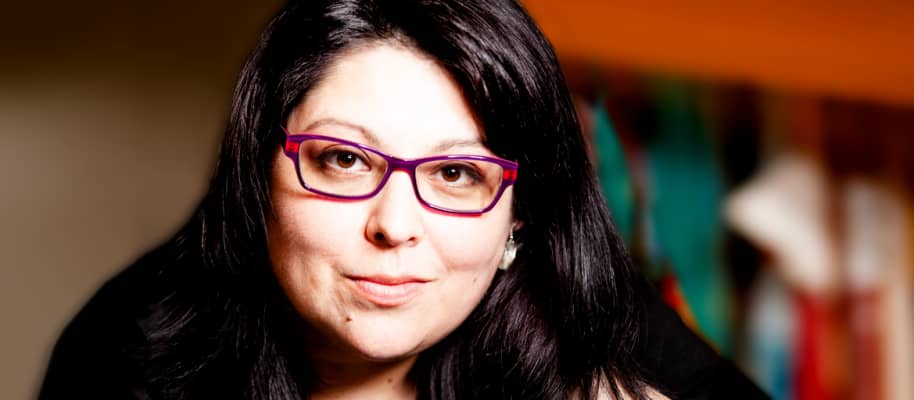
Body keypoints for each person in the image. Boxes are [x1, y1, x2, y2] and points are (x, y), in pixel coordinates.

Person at [39, 1, 768, 399]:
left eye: (456, 173)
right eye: (343, 160)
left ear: (520, 214)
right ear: (256, 173)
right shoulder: (122, 355)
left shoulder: (589, 319)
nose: (394, 225)